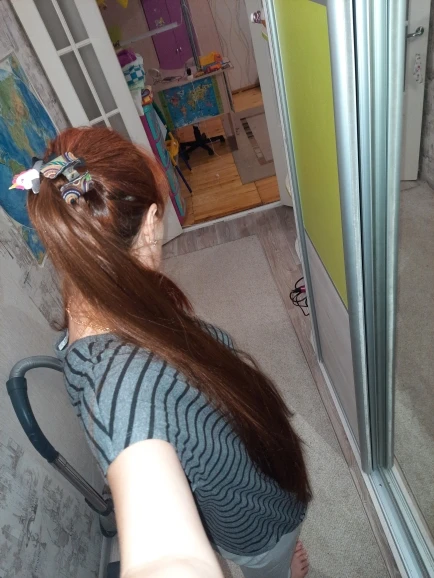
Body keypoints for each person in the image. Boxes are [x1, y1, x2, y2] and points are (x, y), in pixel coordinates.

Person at [22, 127, 311, 578]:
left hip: (254, 472)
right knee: (275, 561)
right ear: (150, 225)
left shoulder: (99, 292)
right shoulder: (120, 392)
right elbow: (167, 559)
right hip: (254, 526)